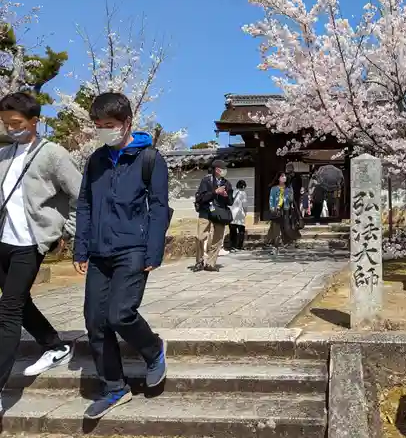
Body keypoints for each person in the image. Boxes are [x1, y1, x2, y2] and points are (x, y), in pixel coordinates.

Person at [73, 92, 170, 420]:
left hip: (132, 248)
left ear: (127, 122)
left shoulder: (150, 159)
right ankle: (114, 387)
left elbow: (158, 208)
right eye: (98, 126)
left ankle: (153, 349)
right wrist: (80, 247)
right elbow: (84, 203)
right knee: (95, 321)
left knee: (121, 313)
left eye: (110, 125)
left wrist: (153, 250)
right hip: (99, 251)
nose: (104, 131)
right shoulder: (96, 161)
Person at [0, 92, 82, 412]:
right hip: (3, 240)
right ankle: (55, 345)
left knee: (8, 311)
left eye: (16, 123)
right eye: (6, 123)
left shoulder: (54, 155)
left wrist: (65, 231)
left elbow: (80, 195)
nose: (10, 128)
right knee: (17, 301)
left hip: (29, 245)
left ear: (35, 121)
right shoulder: (4, 153)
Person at [194, 160, 233, 271]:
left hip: (220, 213)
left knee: (218, 238)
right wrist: (215, 192)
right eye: (223, 168)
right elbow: (200, 198)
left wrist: (226, 196)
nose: (225, 171)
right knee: (200, 236)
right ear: (217, 169)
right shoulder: (206, 181)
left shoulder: (227, 183)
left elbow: (230, 202)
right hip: (206, 211)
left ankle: (211, 263)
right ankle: (199, 261)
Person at [265, 171, 299, 253]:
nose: (284, 177)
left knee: (286, 227)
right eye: (282, 176)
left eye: (285, 176)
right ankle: (275, 245)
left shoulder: (288, 188)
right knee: (276, 228)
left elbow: (291, 199)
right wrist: (272, 207)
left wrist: (290, 190)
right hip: (277, 210)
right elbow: (271, 199)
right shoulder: (274, 188)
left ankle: (287, 242)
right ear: (278, 178)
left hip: (286, 210)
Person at [228, 180, 247, 251]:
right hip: (239, 214)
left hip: (231, 213)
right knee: (241, 230)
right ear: (243, 186)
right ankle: (239, 246)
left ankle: (233, 246)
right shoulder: (243, 193)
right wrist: (245, 212)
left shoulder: (233, 192)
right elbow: (245, 204)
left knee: (232, 231)